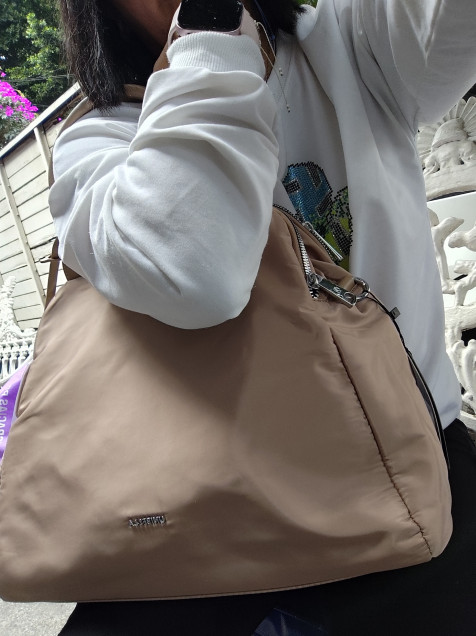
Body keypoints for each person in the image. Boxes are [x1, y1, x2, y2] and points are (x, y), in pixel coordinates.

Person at [49, 0, 476, 633]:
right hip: (200, 518)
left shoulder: (350, 41)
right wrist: (211, 34)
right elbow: (197, 271)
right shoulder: (96, 140)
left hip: (412, 485)